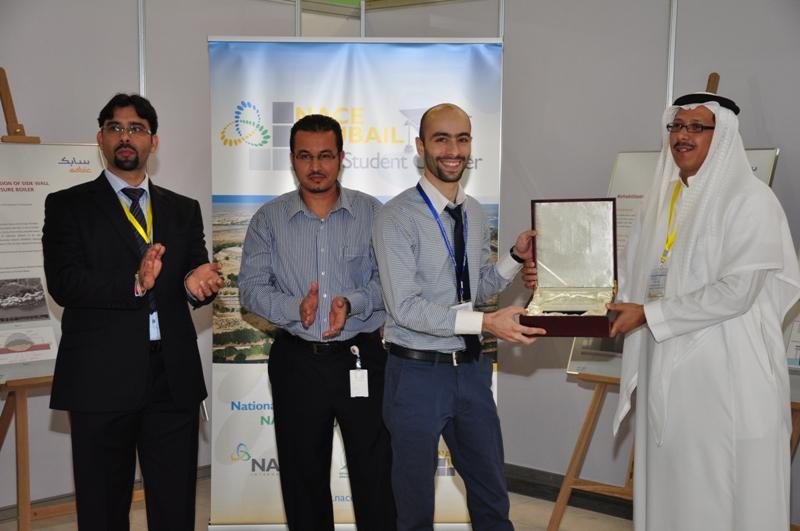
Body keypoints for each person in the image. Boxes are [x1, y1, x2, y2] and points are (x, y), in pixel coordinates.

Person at [608, 92, 800, 531]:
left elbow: (737, 292)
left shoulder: (750, 200)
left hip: (728, 375)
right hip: (665, 368)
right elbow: (632, 276)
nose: (683, 136)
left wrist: (649, 315)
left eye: (697, 127)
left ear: (724, 135)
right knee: (671, 487)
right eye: (677, 126)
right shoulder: (660, 200)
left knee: (722, 490)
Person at [42, 93, 224, 530]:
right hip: (100, 379)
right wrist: (135, 283)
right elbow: (64, 283)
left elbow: (192, 273)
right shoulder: (67, 205)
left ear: (153, 141)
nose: (126, 137)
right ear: (100, 138)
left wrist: (197, 286)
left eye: (137, 129)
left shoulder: (183, 209)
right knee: (103, 511)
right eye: (116, 128)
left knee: (175, 508)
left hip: (171, 377)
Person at [372, 103, 545, 531]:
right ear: (420, 146)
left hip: (470, 371)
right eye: (441, 139)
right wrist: (486, 324)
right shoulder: (395, 217)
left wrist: (514, 257)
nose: (453, 150)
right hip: (416, 375)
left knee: (491, 498)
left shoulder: (475, 213)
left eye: (462, 139)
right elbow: (405, 308)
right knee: (414, 509)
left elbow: (477, 290)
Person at [238, 114, 395, 530]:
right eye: (305, 156)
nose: (316, 166)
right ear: (292, 159)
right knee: (302, 479)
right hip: (297, 362)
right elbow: (250, 290)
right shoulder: (268, 219)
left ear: (341, 157)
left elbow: (390, 284)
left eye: (325, 156)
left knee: (376, 475)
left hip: (361, 358)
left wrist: (353, 302)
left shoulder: (372, 213)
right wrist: (295, 308)